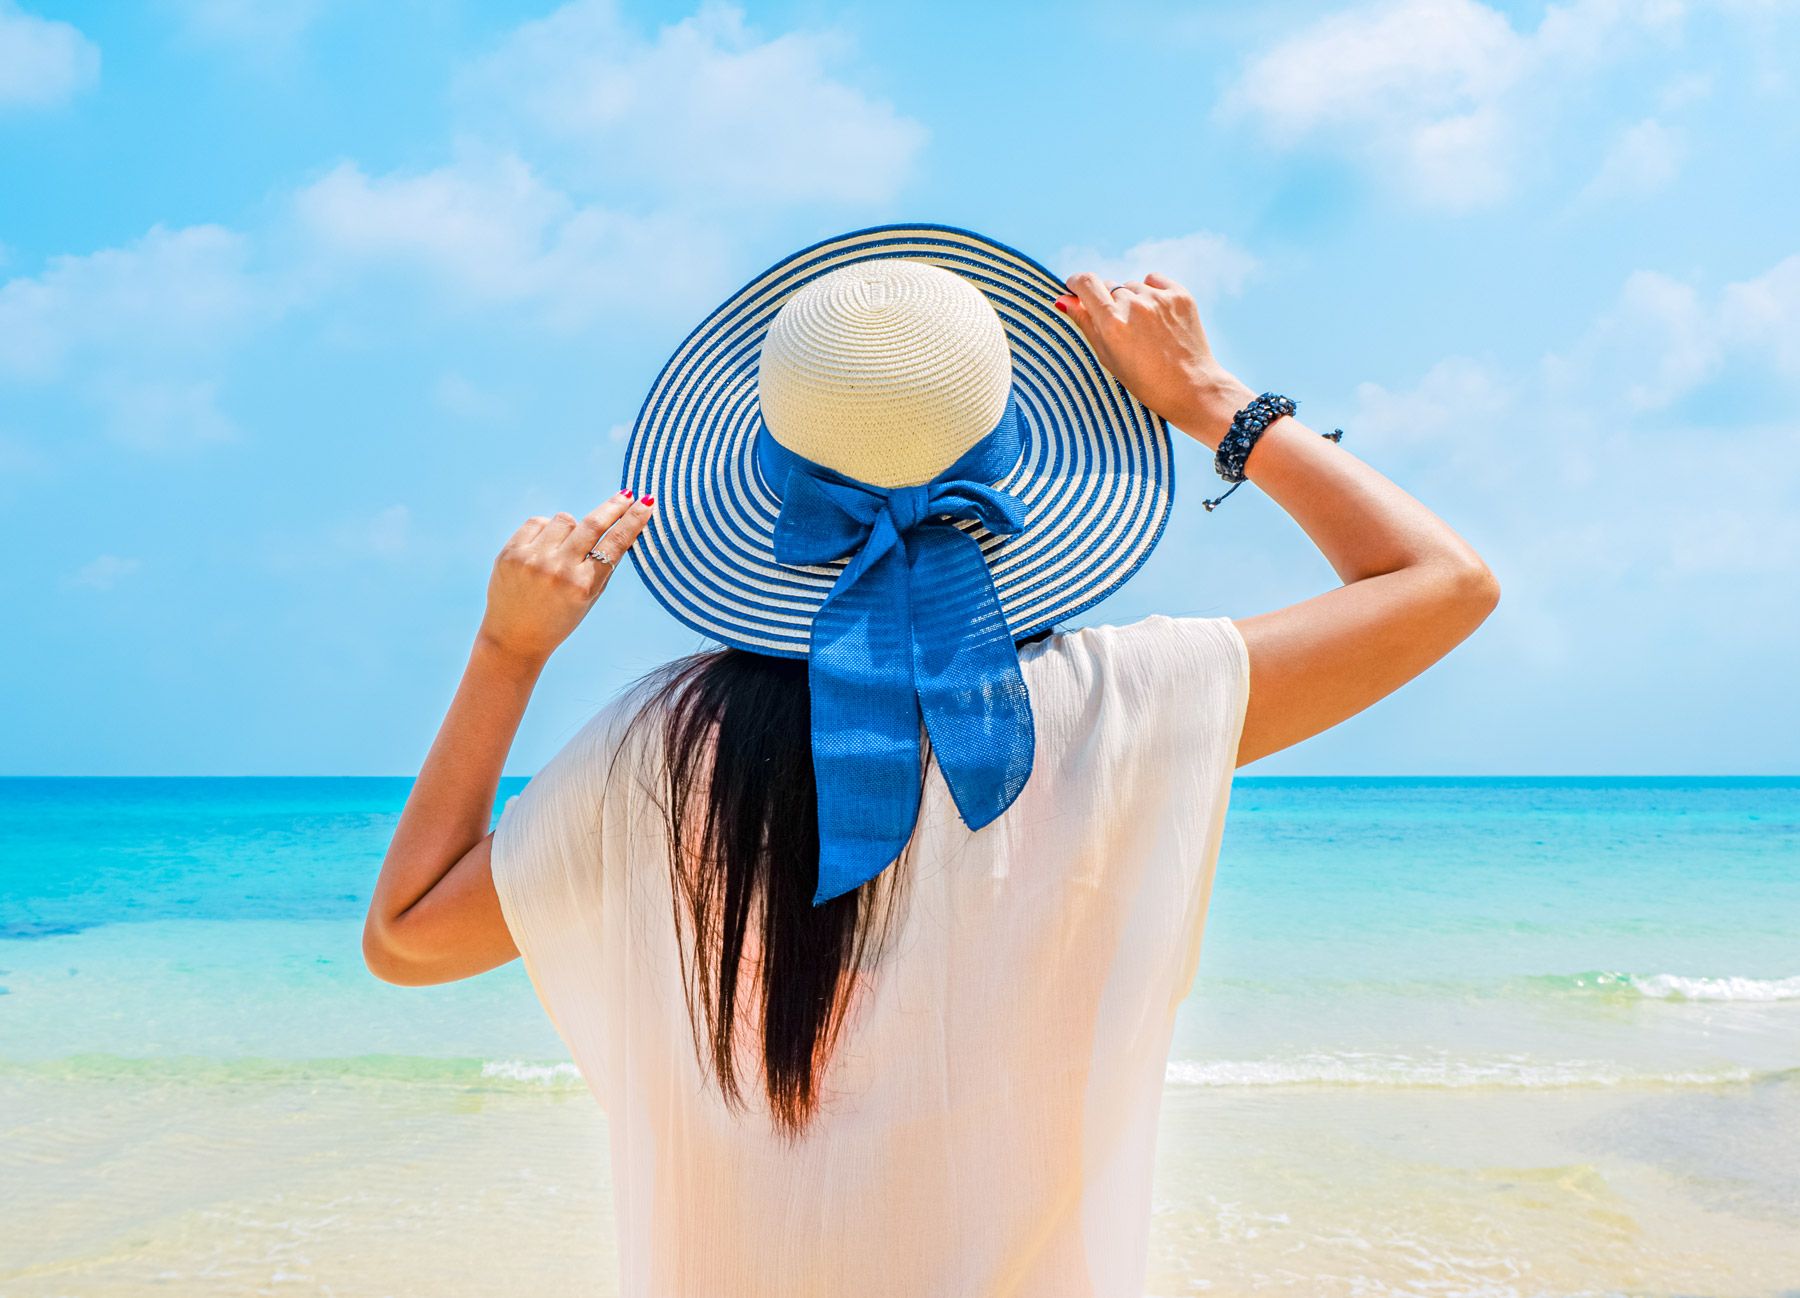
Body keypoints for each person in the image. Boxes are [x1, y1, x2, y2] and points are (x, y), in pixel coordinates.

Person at [363, 225, 1499, 1297]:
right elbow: (1442, 583)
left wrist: (507, 648)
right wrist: (1211, 399)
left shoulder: (665, 745)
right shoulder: (1124, 701)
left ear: (768, 475)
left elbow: (410, 936)